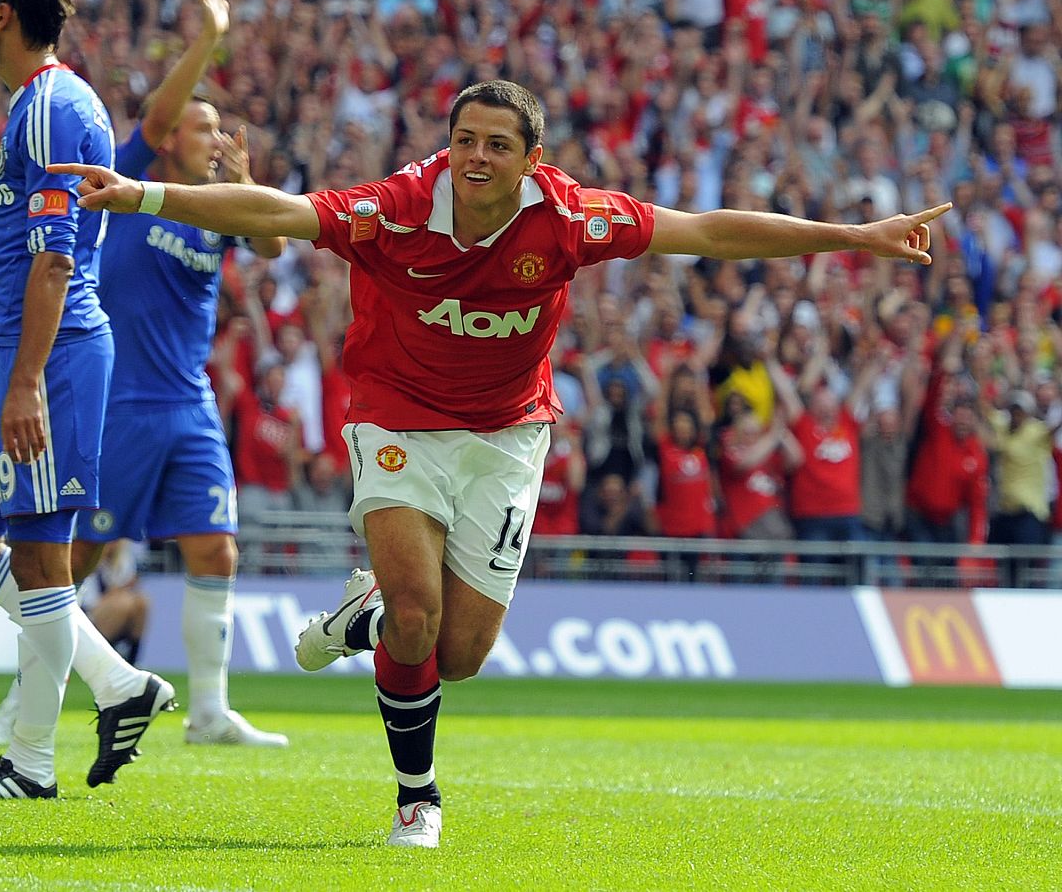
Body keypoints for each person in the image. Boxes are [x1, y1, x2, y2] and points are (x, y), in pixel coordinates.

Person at [51, 79, 949, 848]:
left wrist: (854, 235)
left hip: (508, 438)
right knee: (417, 610)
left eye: (495, 145)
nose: (473, 156)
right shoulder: (398, 206)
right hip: (397, 418)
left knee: (459, 653)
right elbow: (278, 212)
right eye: (463, 140)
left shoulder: (568, 217)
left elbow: (707, 232)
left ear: (532, 157)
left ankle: (366, 619)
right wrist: (141, 194)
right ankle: (417, 796)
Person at [0, 0, 289, 750]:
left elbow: (273, 242)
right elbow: (154, 113)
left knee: (217, 545)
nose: (212, 137)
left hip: (189, 404)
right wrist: (211, 36)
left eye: (218, 127)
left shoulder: (215, 212)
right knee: (70, 558)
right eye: (200, 124)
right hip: (121, 402)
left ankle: (210, 711)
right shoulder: (131, 180)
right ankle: (24, 702)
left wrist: (248, 184)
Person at [0, 0, 171, 803]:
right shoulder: (37, 105)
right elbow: (20, 249)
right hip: (21, 351)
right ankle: (118, 685)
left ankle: (29, 764)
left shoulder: (53, 107)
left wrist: (23, 379)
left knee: (39, 562)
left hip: (54, 359)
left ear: (1, 15)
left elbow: (58, 261)